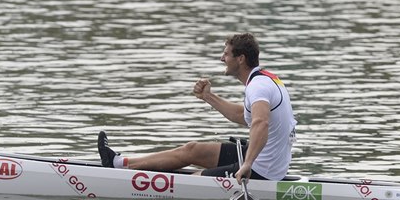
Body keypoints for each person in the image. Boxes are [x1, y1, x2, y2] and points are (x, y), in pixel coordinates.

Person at [97, 33, 297, 184]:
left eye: (226, 54)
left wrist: (247, 165)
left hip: (263, 169)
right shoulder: (265, 79)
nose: (221, 58)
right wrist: (208, 97)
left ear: (241, 58)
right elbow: (243, 116)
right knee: (192, 149)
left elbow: (260, 122)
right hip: (266, 159)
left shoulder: (258, 86)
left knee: (194, 180)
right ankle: (119, 163)